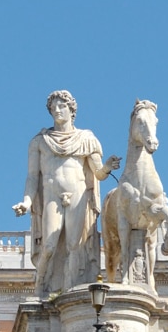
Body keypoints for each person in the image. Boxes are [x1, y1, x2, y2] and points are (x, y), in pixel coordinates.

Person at [13, 90, 120, 296]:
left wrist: (107, 167)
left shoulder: (86, 138)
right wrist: (26, 202)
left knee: (75, 245)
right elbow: (33, 177)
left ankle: (71, 292)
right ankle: (40, 287)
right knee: (49, 245)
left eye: (61, 106)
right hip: (52, 197)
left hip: (78, 196)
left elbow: (97, 173)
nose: (56, 110)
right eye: (53, 107)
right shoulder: (40, 142)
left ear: (72, 110)